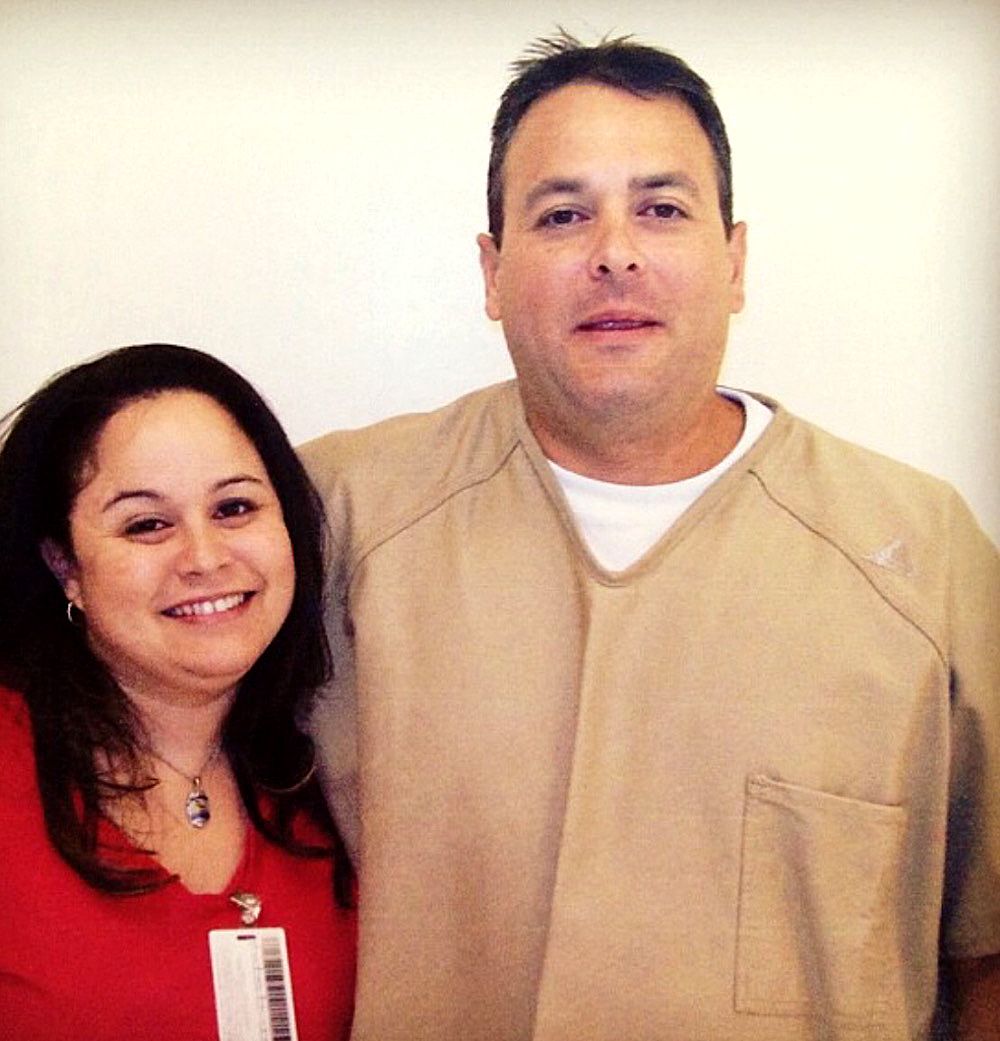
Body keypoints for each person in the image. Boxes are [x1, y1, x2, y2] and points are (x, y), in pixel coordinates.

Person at [300, 33, 999, 1041]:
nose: (614, 252)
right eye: (563, 214)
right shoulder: (339, 517)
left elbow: (983, 954)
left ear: (733, 260)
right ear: (492, 272)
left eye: (662, 209)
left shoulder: (919, 554)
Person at [0, 343, 356, 1040]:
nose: (204, 557)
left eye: (235, 507)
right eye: (146, 524)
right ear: (64, 564)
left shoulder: (335, 772)